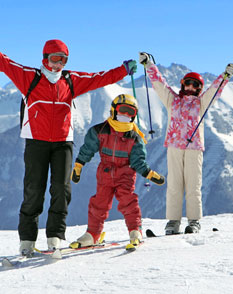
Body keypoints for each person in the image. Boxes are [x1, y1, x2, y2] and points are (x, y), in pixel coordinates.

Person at [0, 28, 137, 255]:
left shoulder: (71, 81)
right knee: (33, 190)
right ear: (45, 58)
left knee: (61, 189)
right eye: (54, 59)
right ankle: (27, 240)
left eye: (63, 60)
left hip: (63, 143)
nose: (58, 64)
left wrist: (123, 71)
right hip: (36, 143)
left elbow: (100, 79)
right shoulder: (29, 77)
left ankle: (55, 236)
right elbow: (4, 63)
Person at [140, 52, 233, 234]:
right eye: (188, 83)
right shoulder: (172, 100)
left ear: (200, 88)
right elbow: (160, 85)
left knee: (193, 185)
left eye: (196, 85)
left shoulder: (201, 103)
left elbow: (215, 91)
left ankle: (194, 222)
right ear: (182, 84)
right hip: (174, 147)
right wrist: (149, 65)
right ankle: (173, 222)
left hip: (194, 149)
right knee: (174, 185)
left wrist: (225, 76)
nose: (191, 87)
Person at [70, 94, 165, 249]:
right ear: (114, 110)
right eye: (123, 110)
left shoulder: (134, 138)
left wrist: (149, 173)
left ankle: (135, 230)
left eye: (130, 113)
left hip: (125, 174)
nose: (126, 115)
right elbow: (88, 149)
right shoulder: (100, 130)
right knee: (99, 203)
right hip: (105, 173)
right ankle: (93, 234)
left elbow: (138, 161)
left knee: (128, 201)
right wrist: (79, 165)